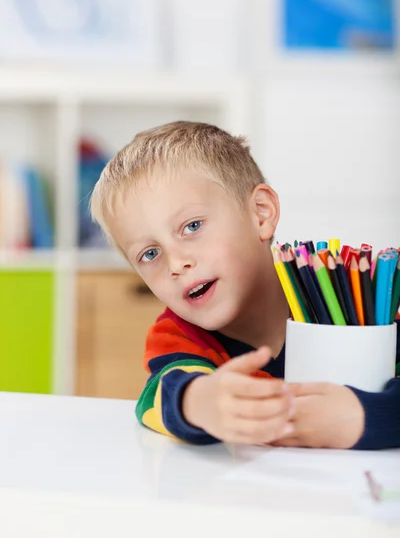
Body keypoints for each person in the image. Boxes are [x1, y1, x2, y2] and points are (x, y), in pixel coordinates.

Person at [90, 121, 400, 449]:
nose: (176, 263)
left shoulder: (362, 300)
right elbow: (157, 396)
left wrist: (366, 416)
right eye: (150, 253)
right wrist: (197, 403)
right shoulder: (178, 335)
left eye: (192, 226)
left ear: (261, 214)